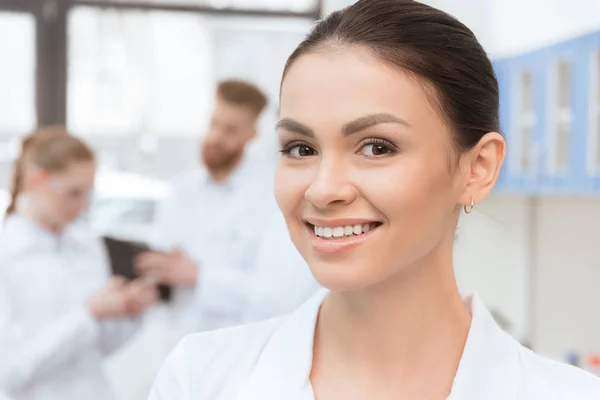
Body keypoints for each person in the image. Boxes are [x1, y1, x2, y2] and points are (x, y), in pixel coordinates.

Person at [147, 1, 600, 399]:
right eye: (300, 149)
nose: (323, 190)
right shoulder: (199, 380)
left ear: (477, 168)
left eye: (377, 147)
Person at [135, 79, 313, 335]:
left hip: (242, 351)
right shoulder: (181, 191)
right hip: (177, 346)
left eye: (230, 130)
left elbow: (280, 296)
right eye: (214, 124)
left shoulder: (274, 197)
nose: (216, 137)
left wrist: (201, 276)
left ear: (253, 134)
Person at [0, 127, 158, 400]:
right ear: (35, 180)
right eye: (73, 193)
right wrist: (88, 314)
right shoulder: (7, 255)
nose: (84, 206)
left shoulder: (87, 245)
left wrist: (127, 311)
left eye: (88, 193)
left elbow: (100, 348)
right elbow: (9, 370)